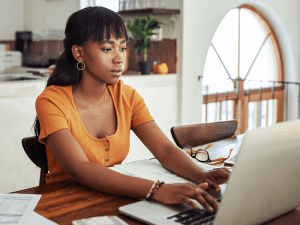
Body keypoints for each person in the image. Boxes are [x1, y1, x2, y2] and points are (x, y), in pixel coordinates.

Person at [34, 6, 230, 213]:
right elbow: (81, 169)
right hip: (63, 203)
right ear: (78, 53)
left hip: (114, 197)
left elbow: (164, 150)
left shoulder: (127, 96)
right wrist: (156, 189)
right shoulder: (51, 101)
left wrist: (201, 175)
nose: (119, 58)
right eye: (107, 49)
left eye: (123, 48)